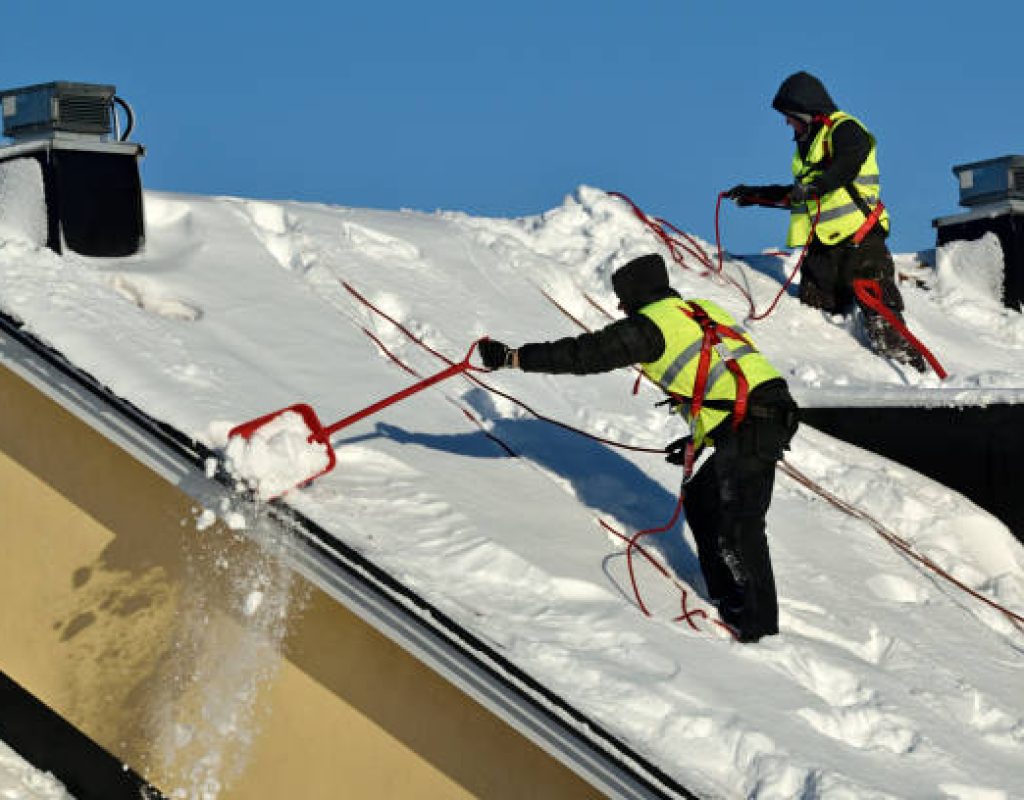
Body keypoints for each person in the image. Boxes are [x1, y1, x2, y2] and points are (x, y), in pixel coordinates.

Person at [480, 253, 798, 643]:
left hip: (750, 423)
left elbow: (584, 354)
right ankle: (727, 596)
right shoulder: (699, 310)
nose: (619, 307)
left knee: (740, 524)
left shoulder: (650, 328)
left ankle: (760, 629)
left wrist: (514, 358)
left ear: (635, 297)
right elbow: (726, 379)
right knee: (701, 498)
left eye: (622, 299)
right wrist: (701, 439)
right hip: (759, 415)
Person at [725, 71, 925, 370]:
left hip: (860, 246)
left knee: (883, 324)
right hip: (821, 255)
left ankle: (915, 383)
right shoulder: (809, 146)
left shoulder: (846, 131)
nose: (786, 123)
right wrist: (756, 195)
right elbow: (799, 194)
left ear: (806, 112)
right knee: (816, 326)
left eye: (789, 116)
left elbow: (845, 165)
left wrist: (816, 187)